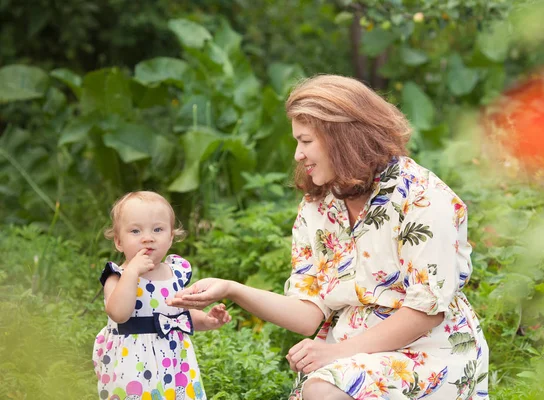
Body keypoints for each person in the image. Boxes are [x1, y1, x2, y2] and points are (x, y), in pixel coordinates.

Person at [168, 75, 489, 400]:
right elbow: (309, 312)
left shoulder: (422, 197)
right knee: (324, 387)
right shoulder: (319, 206)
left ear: (342, 136)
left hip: (429, 352)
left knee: (324, 389)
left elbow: (426, 312)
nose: (297, 154)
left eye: (305, 141)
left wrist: (337, 354)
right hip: (350, 356)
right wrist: (231, 289)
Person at [92, 191, 231, 400]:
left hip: (175, 364)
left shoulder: (176, 273)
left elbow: (179, 315)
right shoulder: (117, 276)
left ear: (171, 238)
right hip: (133, 364)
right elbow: (118, 314)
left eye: (158, 229)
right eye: (136, 231)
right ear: (119, 242)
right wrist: (132, 272)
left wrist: (207, 321)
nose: (148, 238)